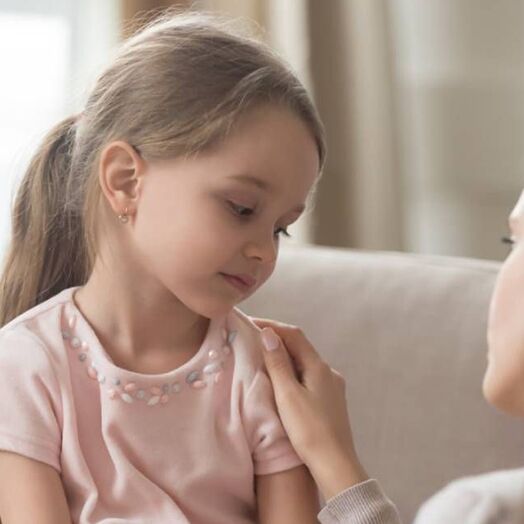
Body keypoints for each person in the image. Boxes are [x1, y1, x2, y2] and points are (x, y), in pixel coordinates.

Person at [0, 9, 329, 524]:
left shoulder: (262, 373)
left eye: (281, 227)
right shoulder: (25, 368)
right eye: (242, 208)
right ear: (127, 180)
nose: (266, 251)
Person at [251, 189, 524, 524]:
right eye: (509, 242)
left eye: (516, 243)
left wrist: (330, 456)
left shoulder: (486, 509)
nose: (265, 254)